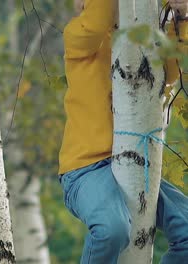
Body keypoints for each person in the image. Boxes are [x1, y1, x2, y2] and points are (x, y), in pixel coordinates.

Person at [58, 0, 188, 263]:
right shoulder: (78, 37)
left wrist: (182, 16)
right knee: (111, 229)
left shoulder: (147, 39)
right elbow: (96, 23)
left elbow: (173, 70)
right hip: (87, 169)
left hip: (139, 164)